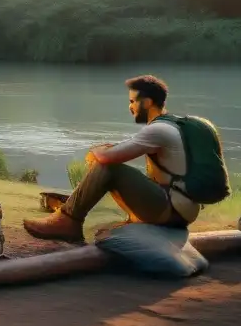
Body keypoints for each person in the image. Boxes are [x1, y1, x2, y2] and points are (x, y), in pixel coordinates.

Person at [23, 74, 226, 243]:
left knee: (108, 168)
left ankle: (68, 222)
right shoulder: (171, 125)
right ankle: (121, 218)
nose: (130, 107)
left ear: (146, 102)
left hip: (171, 210)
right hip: (182, 209)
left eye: (132, 101)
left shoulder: (158, 130)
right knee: (111, 166)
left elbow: (107, 158)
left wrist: (97, 152)